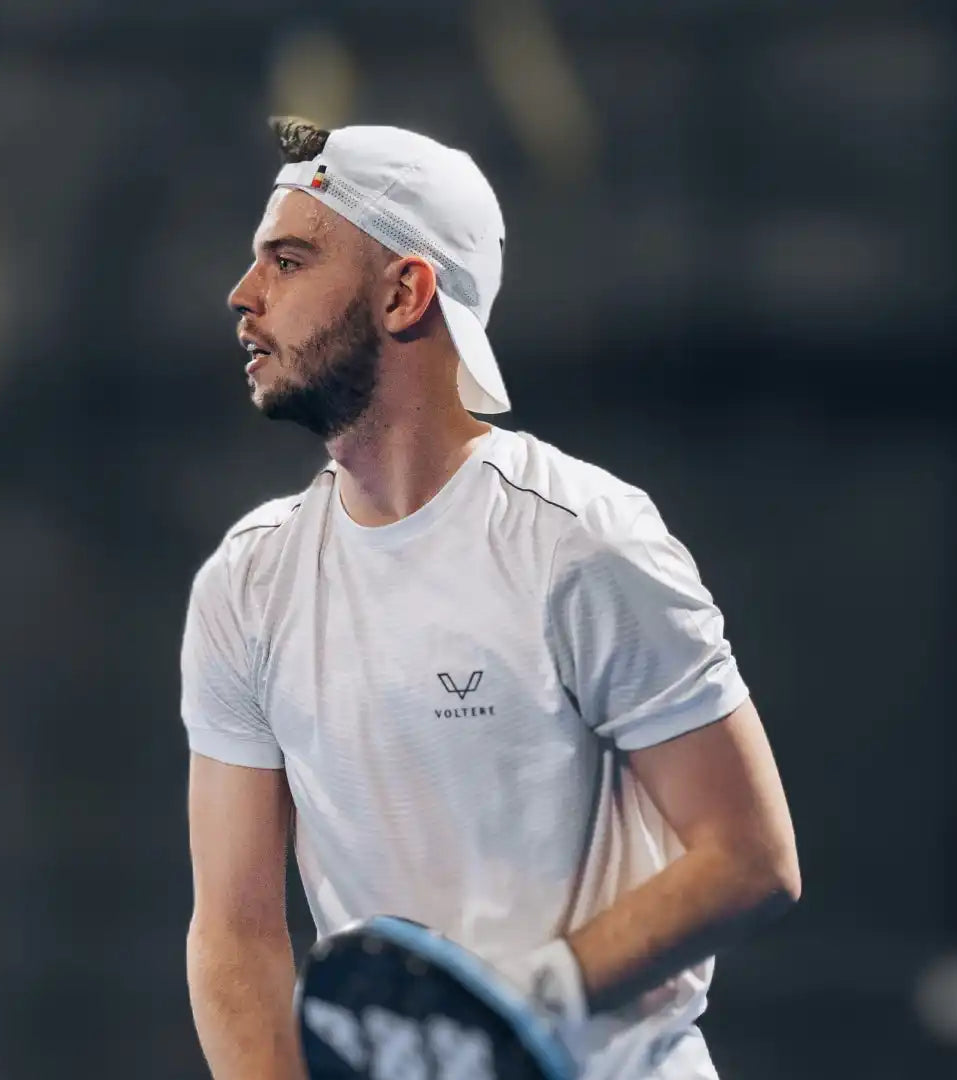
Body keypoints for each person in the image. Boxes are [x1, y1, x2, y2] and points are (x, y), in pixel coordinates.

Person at [181, 119, 801, 1080]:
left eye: (289, 261)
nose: (244, 294)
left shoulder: (581, 540)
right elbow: (235, 930)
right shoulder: (246, 585)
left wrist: (526, 1006)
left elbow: (752, 857)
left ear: (405, 292)